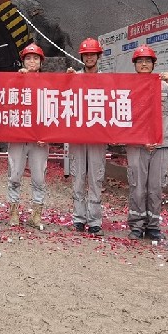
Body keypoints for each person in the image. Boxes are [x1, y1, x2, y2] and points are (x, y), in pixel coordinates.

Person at [126, 45, 168, 240]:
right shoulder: (128, 86)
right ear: (135, 65)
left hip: (161, 144)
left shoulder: (164, 86)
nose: (144, 64)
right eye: (140, 61)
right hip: (137, 144)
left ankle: (153, 226)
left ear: (153, 64)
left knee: (155, 187)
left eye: (147, 61)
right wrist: (140, 139)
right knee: (137, 186)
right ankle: (136, 226)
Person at [7, 44, 49, 228]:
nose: (32, 62)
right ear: (23, 61)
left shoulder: (48, 84)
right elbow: (5, 103)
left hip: (39, 139)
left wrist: (47, 135)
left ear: (41, 62)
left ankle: (37, 214)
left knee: (39, 177)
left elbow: (54, 110)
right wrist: (18, 80)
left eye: (35, 58)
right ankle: (13, 212)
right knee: (14, 174)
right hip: (18, 137)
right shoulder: (14, 81)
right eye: (28, 58)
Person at [68, 37, 107, 235]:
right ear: (82, 57)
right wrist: (67, 80)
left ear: (98, 56)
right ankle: (78, 218)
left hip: (98, 135)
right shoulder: (74, 77)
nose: (89, 58)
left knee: (95, 178)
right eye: (86, 55)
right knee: (78, 177)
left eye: (92, 54)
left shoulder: (107, 80)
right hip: (77, 135)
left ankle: (94, 221)